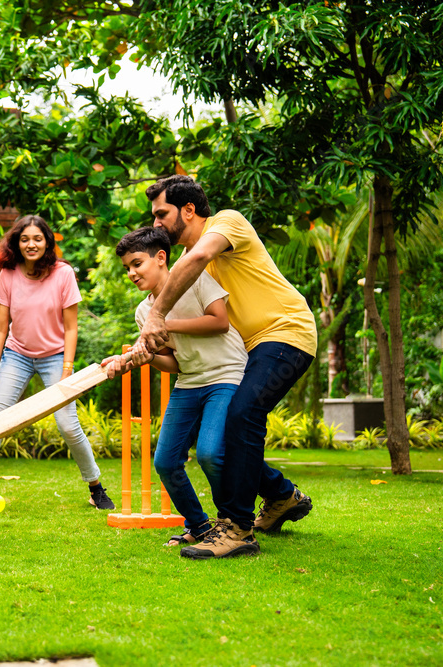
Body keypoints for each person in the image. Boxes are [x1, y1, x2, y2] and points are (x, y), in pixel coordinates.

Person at [134, 175, 316, 559]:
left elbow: (199, 259)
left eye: (161, 214)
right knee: (230, 430)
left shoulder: (226, 222)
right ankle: (283, 497)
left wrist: (159, 316)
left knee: (242, 415)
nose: (156, 225)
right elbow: (177, 280)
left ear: (188, 210)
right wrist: (143, 343)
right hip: (255, 347)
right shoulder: (184, 262)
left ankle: (236, 529)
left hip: (287, 332)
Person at [0, 215, 115, 514]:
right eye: (25, 239)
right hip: (16, 355)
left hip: (55, 357)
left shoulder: (63, 274)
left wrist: (67, 371)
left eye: (37, 239)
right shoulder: (8, 275)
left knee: (68, 425)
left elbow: (71, 327)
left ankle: (96, 489)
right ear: (17, 243)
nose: (31, 244)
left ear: (47, 242)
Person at [106, 227, 247, 547]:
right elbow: (173, 364)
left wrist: (164, 322)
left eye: (137, 263)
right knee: (166, 462)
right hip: (190, 381)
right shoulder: (144, 312)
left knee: (211, 454)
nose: (131, 273)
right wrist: (145, 357)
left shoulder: (195, 280)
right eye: (126, 267)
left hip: (226, 373)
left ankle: (231, 524)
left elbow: (219, 321)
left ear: (160, 258)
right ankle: (199, 526)